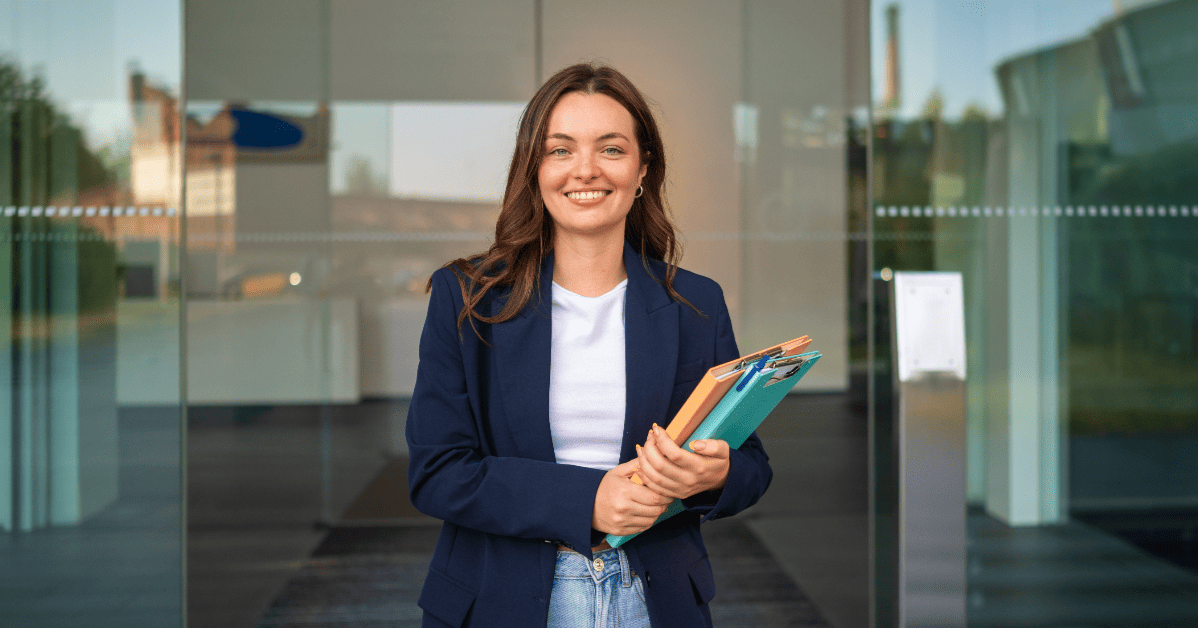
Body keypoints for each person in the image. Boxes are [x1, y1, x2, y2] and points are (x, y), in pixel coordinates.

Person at [406, 62, 772, 628]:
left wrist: (713, 474)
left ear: (642, 168)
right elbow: (438, 472)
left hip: (656, 602)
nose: (586, 170)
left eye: (611, 149)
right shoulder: (467, 298)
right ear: (535, 167)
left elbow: (751, 465)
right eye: (560, 150)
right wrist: (587, 500)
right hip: (502, 600)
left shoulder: (697, 304)